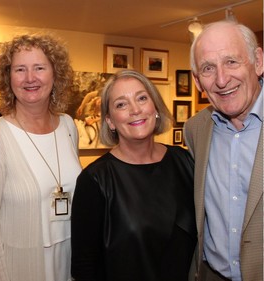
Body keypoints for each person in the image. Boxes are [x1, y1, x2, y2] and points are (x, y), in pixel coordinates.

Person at [0, 33, 82, 281]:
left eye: (39, 68)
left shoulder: (68, 126)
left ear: (55, 75)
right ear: (7, 78)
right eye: (20, 69)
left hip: (69, 261)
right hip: (21, 267)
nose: (30, 78)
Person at [71, 69, 197, 281]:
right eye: (121, 104)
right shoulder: (95, 179)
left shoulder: (184, 161)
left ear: (155, 107)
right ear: (110, 121)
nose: (135, 110)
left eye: (141, 98)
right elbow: (85, 267)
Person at [184, 20, 263, 281]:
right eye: (208, 68)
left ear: (258, 62)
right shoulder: (196, 129)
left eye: (231, 62)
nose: (221, 79)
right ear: (197, 81)